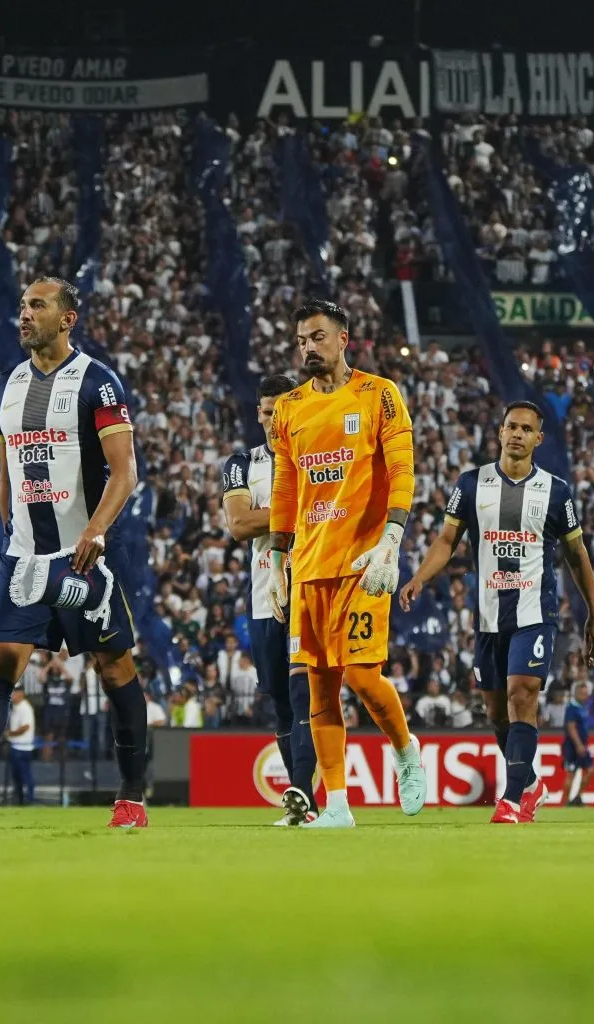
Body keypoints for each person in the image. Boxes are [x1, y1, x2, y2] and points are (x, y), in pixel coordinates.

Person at [0, 277, 149, 831]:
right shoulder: (2, 388)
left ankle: (133, 797)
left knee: (114, 669)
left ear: (67, 319)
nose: (24, 314)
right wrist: (10, 530)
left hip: (83, 557)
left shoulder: (98, 382)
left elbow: (126, 470)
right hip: (24, 557)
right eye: (21, 305)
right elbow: (8, 471)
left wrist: (95, 531)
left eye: (37, 306)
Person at [400, 400, 594, 823]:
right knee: (496, 713)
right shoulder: (471, 484)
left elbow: (576, 554)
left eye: (526, 429)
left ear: (538, 438)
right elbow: (446, 541)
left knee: (522, 694)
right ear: (499, 432)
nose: (517, 434)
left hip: (535, 613)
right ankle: (530, 782)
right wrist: (420, 577)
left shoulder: (556, 490)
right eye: (510, 425)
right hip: (489, 618)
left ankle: (512, 800)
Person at [268, 299, 426, 828]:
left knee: (361, 675)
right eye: (301, 341)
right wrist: (275, 558)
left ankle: (405, 750)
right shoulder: (289, 408)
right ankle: (336, 803)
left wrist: (393, 539)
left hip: (365, 558)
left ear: (343, 339)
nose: (308, 348)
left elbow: (403, 470)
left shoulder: (380, 394)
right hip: (310, 564)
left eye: (317, 337)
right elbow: (286, 485)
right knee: (319, 686)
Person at [223, 373, 319, 826]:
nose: (271, 420)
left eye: (279, 411)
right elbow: (239, 525)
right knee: (280, 701)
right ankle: (307, 804)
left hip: (309, 588)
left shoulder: (316, 458)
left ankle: (303, 793)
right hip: (265, 594)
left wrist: (273, 515)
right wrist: (296, 511)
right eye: (265, 412)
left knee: (304, 694)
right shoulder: (242, 463)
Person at [562, 681, 594, 806]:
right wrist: (578, 745)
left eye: (586, 693)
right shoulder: (572, 708)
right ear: (575, 693)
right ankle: (566, 802)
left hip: (582, 745)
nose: (584, 696)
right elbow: (571, 727)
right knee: (571, 773)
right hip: (572, 746)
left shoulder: (583, 707)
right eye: (581, 693)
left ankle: (577, 797)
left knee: (591, 770)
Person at [3, 683, 36, 805]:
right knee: (17, 776)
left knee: (25, 775)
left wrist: (10, 734)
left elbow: (25, 727)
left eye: (15, 692)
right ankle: (21, 799)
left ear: (21, 693)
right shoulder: (16, 707)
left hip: (23, 748)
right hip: (16, 746)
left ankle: (30, 799)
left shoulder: (25, 707)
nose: (12, 695)